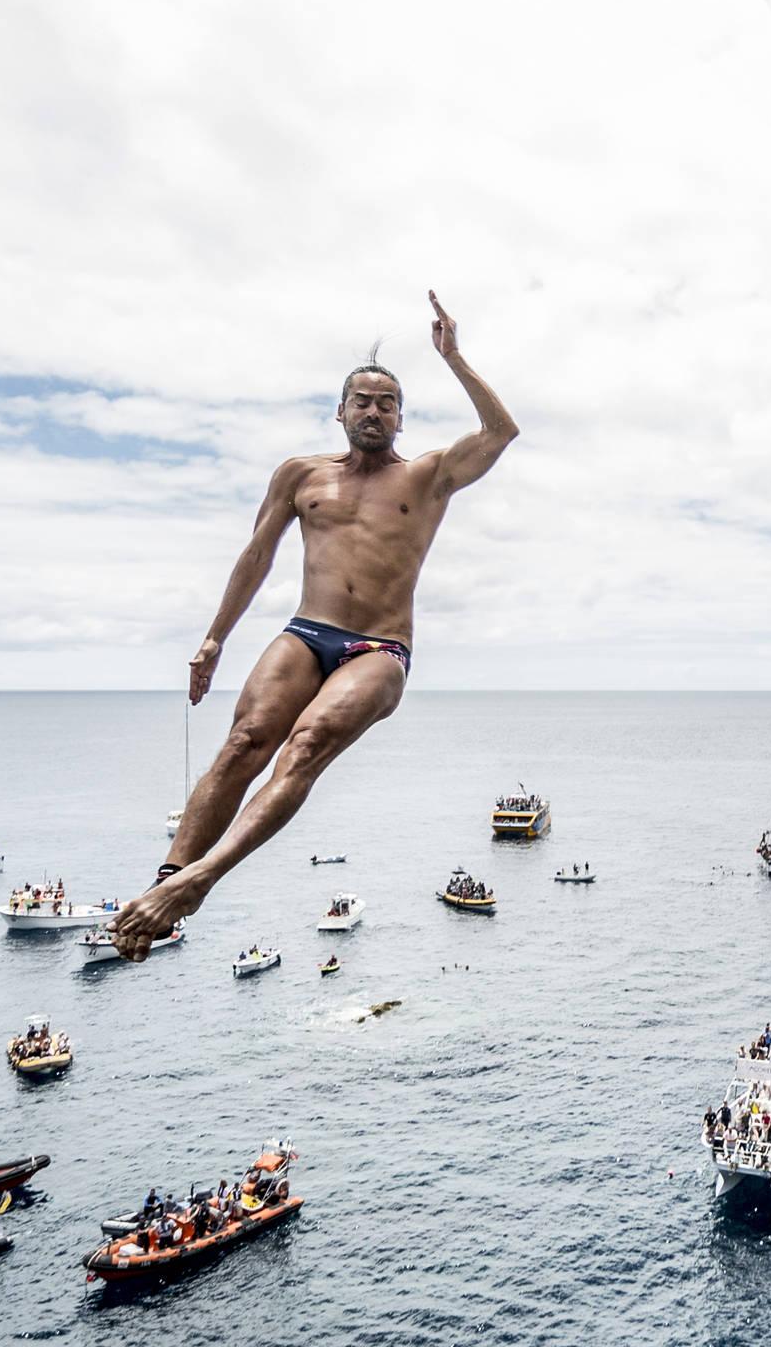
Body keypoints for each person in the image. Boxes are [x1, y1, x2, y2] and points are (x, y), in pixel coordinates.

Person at [106, 291, 519, 959]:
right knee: (244, 742)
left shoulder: (429, 475)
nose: (375, 409)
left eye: (388, 402)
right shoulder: (301, 475)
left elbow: (501, 432)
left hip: (381, 648)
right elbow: (257, 555)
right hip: (308, 631)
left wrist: (456, 359)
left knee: (305, 744)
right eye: (363, 399)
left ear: (401, 418)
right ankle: (164, 882)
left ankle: (198, 881)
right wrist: (214, 637)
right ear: (341, 411)